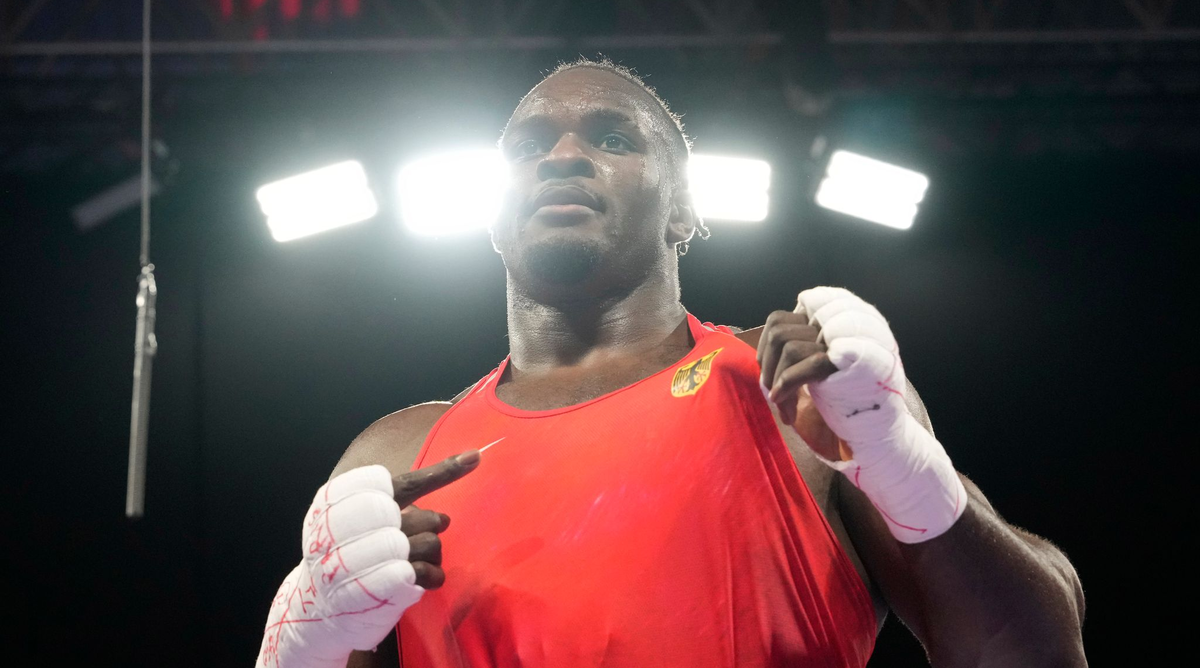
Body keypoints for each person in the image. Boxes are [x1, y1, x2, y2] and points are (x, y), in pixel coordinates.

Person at [255, 59, 1087, 668]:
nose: (562, 156)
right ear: (494, 218)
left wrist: (904, 462)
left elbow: (1032, 652)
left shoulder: (801, 398)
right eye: (529, 146)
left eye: (613, 137)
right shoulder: (398, 458)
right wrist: (301, 640)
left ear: (685, 207)